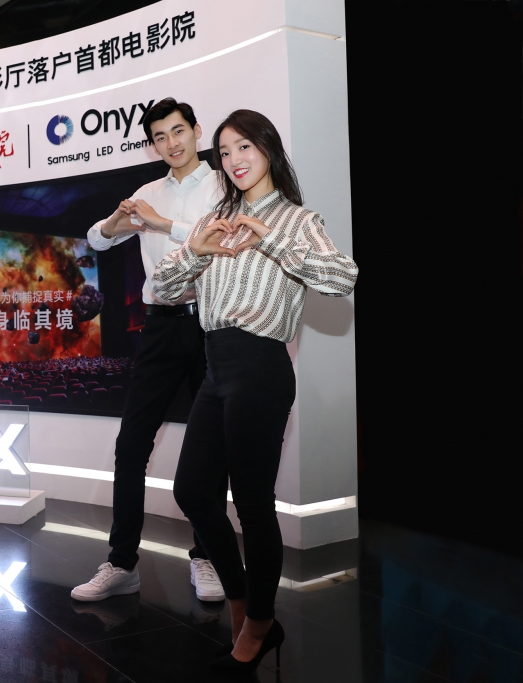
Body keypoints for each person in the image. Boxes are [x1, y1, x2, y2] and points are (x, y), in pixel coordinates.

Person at [152, 109, 358, 671]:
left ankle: (260, 624)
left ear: (267, 148)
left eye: (244, 146)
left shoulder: (296, 219)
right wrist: (197, 251)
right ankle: (245, 602)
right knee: (193, 492)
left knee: (252, 503)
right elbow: (161, 285)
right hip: (215, 366)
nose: (235, 159)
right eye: (225, 152)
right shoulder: (216, 219)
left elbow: (342, 278)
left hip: (261, 366)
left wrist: (272, 240)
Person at [71, 99, 227, 604]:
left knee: (212, 448)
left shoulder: (223, 184)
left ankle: (208, 557)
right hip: (160, 326)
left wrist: (161, 224)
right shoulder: (146, 193)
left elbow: (218, 240)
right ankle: (121, 563)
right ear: (152, 144)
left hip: (211, 324)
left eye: (178, 131)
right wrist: (118, 223)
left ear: (197, 130)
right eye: (160, 136)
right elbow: (95, 239)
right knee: (132, 444)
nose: (171, 143)